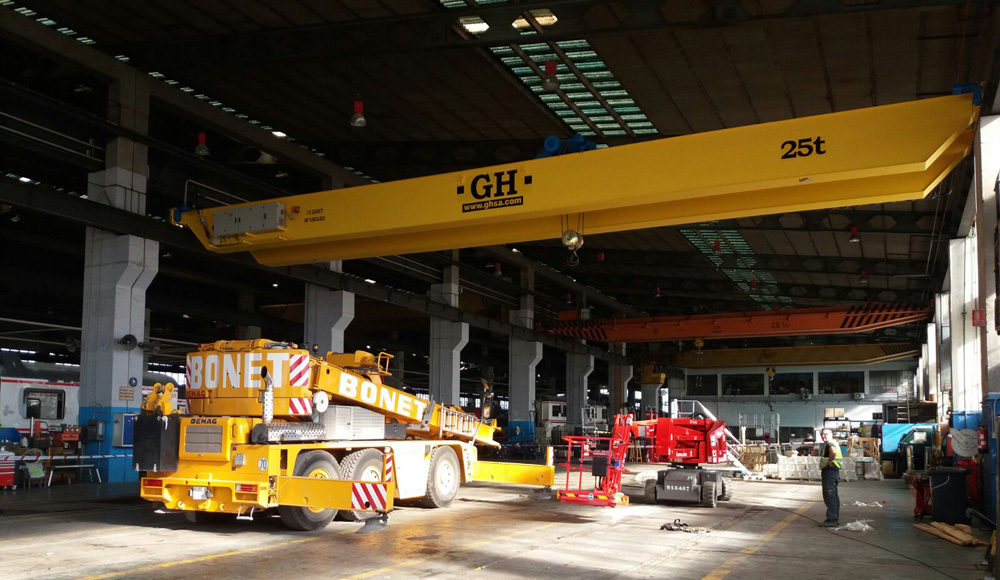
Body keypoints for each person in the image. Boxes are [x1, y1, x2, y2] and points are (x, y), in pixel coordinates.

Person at [819, 428, 843, 527]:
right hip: (834, 472)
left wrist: (829, 462)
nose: (823, 436)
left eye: (826, 434)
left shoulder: (830, 444)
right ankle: (834, 517)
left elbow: (832, 452)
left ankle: (832, 519)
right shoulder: (834, 442)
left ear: (831, 434)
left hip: (830, 471)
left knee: (829, 495)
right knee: (833, 495)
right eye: (822, 434)